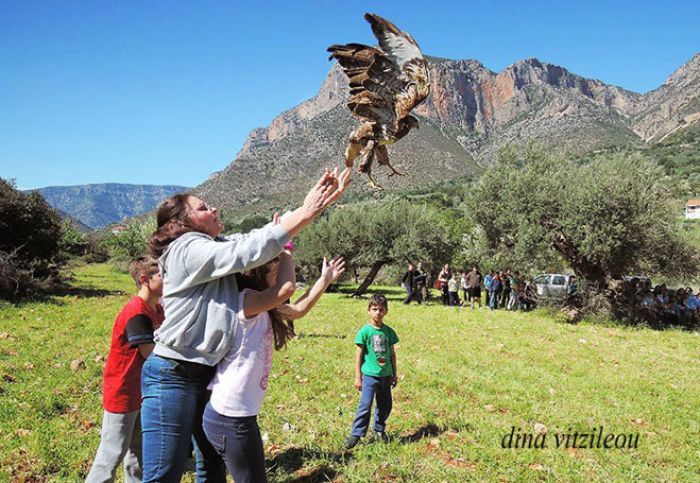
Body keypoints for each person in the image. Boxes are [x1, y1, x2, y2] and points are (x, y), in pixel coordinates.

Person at [141, 168, 350, 483]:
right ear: (181, 224)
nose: (213, 210)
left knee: (211, 467)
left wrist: (307, 206)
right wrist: (307, 213)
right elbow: (247, 251)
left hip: (204, 374)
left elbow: (255, 238)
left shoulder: (212, 245)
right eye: (202, 208)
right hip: (173, 374)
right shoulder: (186, 248)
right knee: (163, 474)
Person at [202, 248, 345, 482]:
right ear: (262, 269)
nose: (285, 273)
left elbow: (298, 310)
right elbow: (286, 289)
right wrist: (286, 246)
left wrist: (324, 280)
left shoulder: (263, 304)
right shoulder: (247, 301)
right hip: (230, 418)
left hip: (238, 416)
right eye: (278, 267)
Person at [86, 257, 165, 483]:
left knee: (138, 451)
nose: (168, 279)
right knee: (113, 451)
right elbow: (149, 351)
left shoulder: (157, 309)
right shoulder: (136, 311)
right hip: (123, 391)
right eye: (162, 275)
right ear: (144, 280)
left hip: (141, 390)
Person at [344, 294, 399, 449]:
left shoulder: (389, 332)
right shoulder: (364, 332)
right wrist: (358, 377)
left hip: (385, 375)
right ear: (369, 310)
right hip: (369, 375)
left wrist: (394, 373)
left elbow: (392, 354)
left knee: (385, 404)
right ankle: (356, 434)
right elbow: (359, 355)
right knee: (365, 404)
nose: (377, 313)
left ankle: (379, 430)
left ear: (386, 311)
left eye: (381, 310)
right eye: (374, 309)